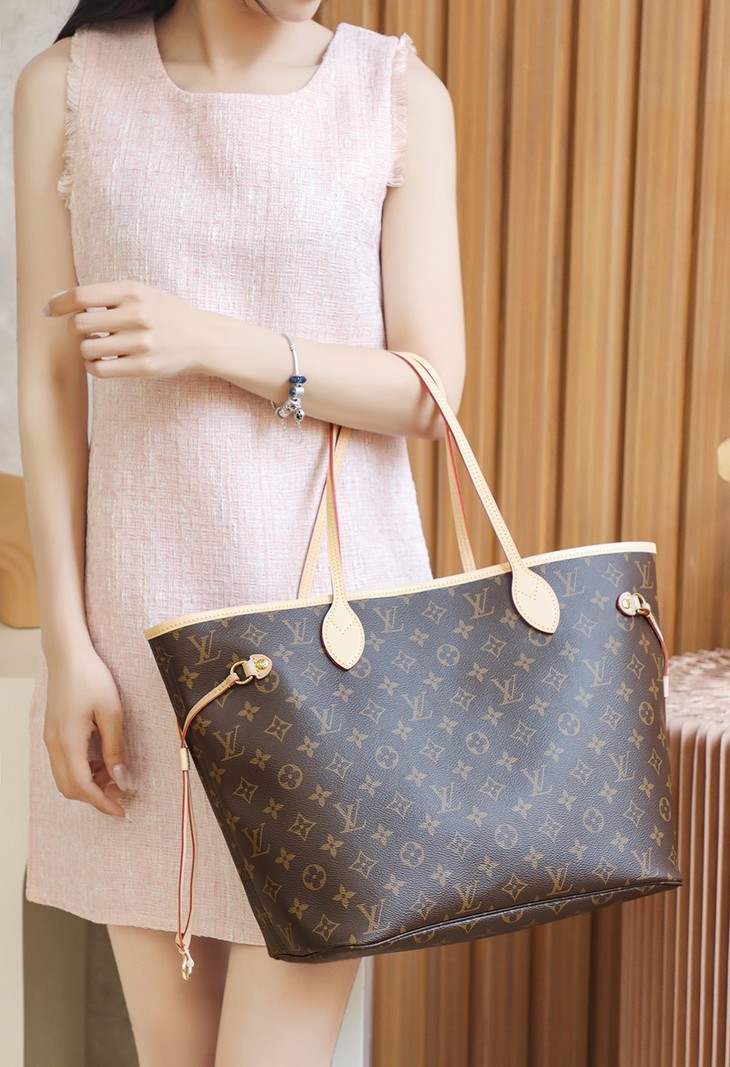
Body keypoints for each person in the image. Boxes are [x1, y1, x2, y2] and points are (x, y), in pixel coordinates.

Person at [13, 0, 465, 1062]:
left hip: (335, 656)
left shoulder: (394, 95)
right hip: (141, 652)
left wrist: (211, 340)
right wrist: (67, 646)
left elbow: (428, 389)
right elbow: (50, 388)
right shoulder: (68, 89)